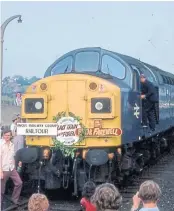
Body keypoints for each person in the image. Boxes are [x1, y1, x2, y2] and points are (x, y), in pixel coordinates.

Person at [0, 129, 23, 205]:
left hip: (11, 168)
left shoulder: (12, 144)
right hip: (3, 169)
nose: (7, 136)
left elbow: (12, 157)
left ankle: (14, 199)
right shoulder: (0, 144)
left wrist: (15, 166)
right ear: (3, 135)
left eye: (8, 135)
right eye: (5, 135)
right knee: (1, 190)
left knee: (19, 183)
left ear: (11, 136)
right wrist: (0, 172)